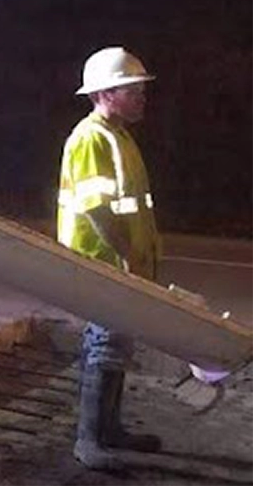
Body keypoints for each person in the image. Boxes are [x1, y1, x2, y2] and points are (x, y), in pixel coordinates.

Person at [57, 46, 165, 469]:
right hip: (101, 263)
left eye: (140, 89)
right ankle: (89, 442)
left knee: (116, 344)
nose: (141, 96)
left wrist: (140, 258)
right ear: (104, 93)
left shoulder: (118, 137)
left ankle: (109, 430)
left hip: (122, 263)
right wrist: (123, 255)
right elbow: (96, 209)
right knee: (104, 345)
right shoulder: (91, 139)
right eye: (131, 89)